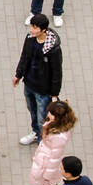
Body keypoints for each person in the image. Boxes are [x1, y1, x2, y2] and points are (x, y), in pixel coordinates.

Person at [13, 14, 62, 145]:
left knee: (42, 117)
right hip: (29, 84)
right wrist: (18, 74)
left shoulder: (53, 49)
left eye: (34, 28)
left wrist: (54, 93)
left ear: (43, 30)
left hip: (43, 90)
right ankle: (36, 133)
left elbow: (57, 71)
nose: (31, 30)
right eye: (31, 26)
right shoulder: (30, 39)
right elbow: (24, 57)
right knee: (32, 111)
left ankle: (43, 139)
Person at [28, 100, 76, 185]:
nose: (48, 114)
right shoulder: (55, 125)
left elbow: (55, 158)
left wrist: (48, 175)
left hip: (48, 167)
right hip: (43, 160)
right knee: (39, 184)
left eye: (51, 113)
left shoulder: (59, 137)